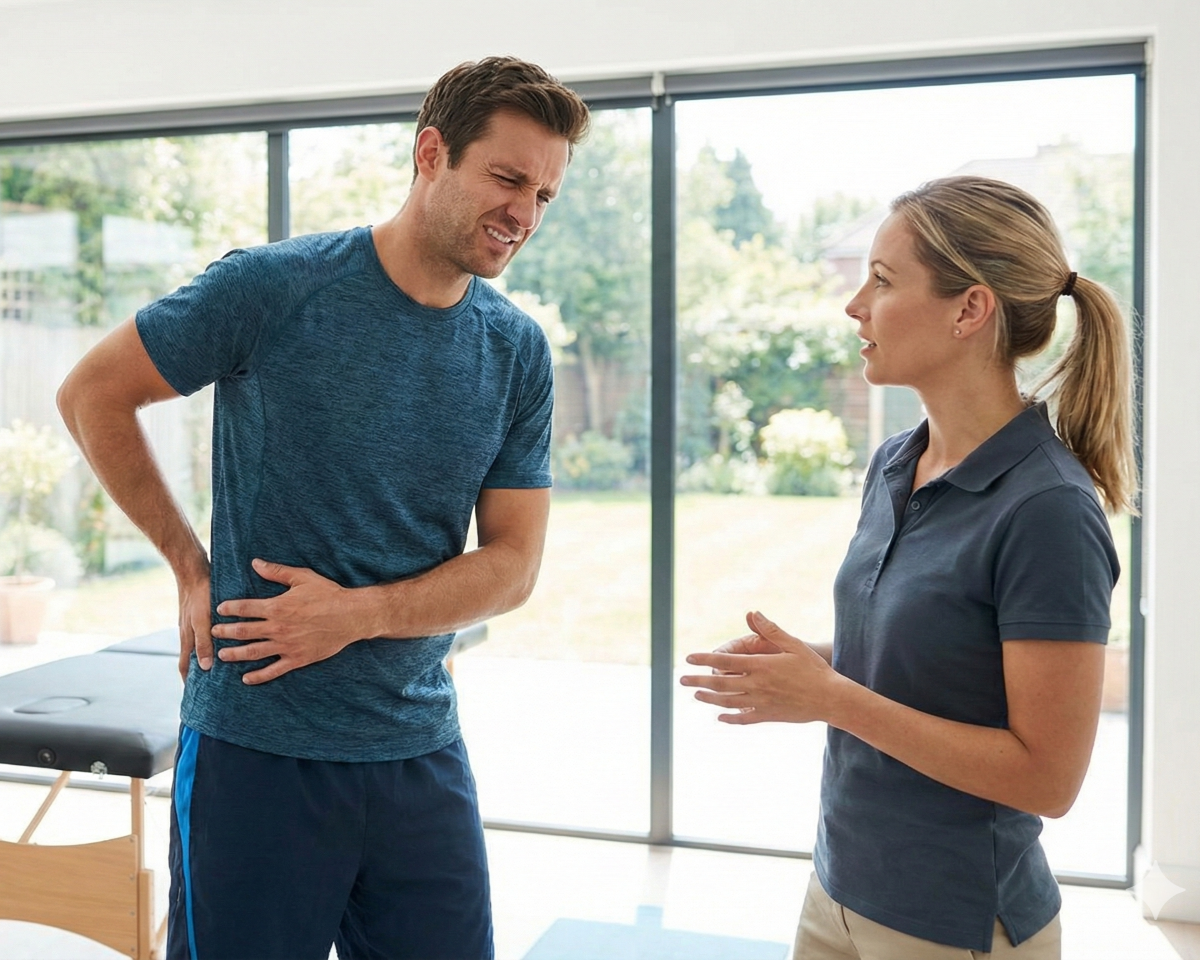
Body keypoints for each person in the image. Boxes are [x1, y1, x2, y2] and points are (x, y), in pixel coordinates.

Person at [57, 56, 589, 960]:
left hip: (418, 751)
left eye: (544, 194)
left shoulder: (515, 351)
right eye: (507, 178)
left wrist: (359, 616)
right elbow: (92, 394)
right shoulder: (273, 289)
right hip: (256, 752)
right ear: (431, 153)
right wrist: (190, 565)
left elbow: (513, 567)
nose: (524, 215)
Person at [681, 175, 1135, 960]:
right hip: (840, 885)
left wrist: (831, 698)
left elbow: (1048, 778)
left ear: (970, 309)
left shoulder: (1049, 510)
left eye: (883, 281)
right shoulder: (898, 462)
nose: (855, 305)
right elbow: (920, 665)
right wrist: (804, 670)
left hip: (956, 924)